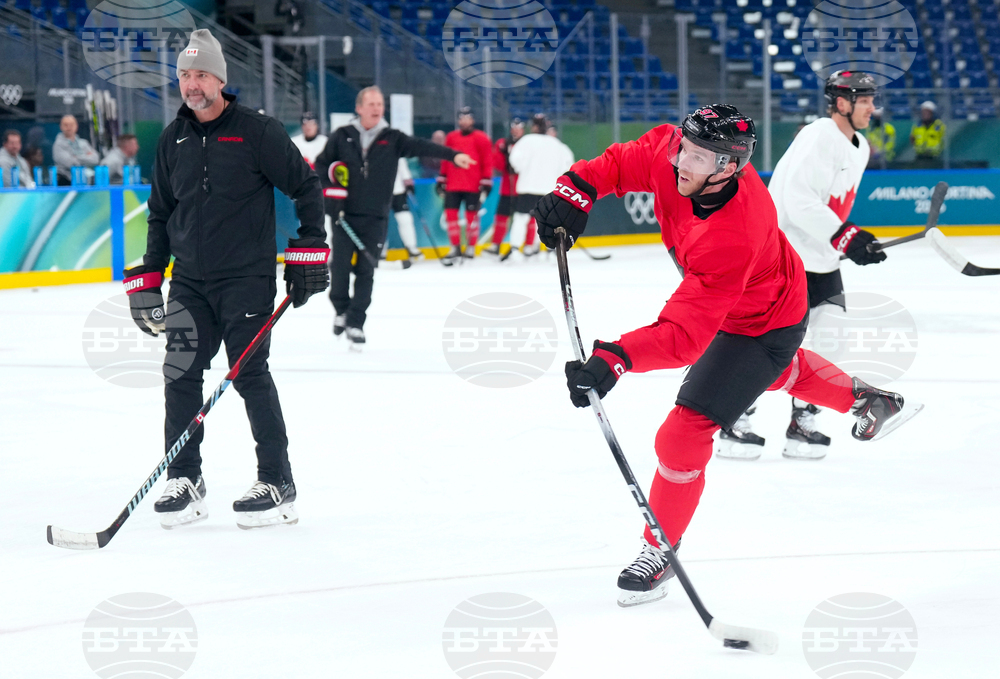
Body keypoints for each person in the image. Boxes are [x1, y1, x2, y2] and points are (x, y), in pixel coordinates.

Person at [531, 104, 918, 607]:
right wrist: (575, 188)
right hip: (748, 303)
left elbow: (684, 335)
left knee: (683, 430)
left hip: (764, 321)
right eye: (684, 149)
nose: (681, 163)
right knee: (770, 375)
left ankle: (660, 549)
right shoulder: (674, 151)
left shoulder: (735, 231)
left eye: (698, 157)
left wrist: (617, 357)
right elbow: (621, 164)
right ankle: (865, 397)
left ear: (729, 168)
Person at [121, 29, 330, 530]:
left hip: (245, 280)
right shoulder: (172, 138)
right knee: (180, 375)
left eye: (200, 75)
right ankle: (185, 478)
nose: (191, 85)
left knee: (249, 374)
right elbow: (159, 213)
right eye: (184, 75)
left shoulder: (257, 131)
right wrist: (150, 275)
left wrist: (307, 249)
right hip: (189, 281)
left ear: (220, 78)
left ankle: (277, 481)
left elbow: (306, 188)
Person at [720, 70, 885, 462]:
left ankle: (802, 423)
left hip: (822, 261)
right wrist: (844, 234)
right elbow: (795, 197)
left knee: (830, 343)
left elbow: (829, 205)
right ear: (842, 103)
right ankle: (734, 419)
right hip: (783, 257)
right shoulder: (819, 134)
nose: (871, 108)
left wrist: (849, 240)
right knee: (765, 346)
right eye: (864, 101)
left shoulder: (859, 147)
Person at [314, 86, 473, 346]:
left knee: (366, 271)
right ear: (359, 108)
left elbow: (422, 146)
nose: (377, 108)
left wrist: (453, 156)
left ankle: (356, 322)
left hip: (376, 215)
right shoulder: (342, 136)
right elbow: (322, 165)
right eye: (372, 104)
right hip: (342, 214)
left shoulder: (392, 137)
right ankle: (341, 310)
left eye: (380, 104)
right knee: (340, 268)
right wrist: (332, 190)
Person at [507, 113, 574, 258]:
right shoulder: (558, 145)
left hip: (528, 186)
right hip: (548, 189)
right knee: (548, 220)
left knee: (521, 218)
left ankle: (515, 249)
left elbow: (515, 161)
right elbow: (567, 167)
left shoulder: (526, 141)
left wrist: (524, 169)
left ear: (534, 126)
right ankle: (550, 249)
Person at [438, 107, 493, 261]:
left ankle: (470, 247)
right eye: (462, 118)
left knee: (472, 217)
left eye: (468, 117)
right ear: (458, 120)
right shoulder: (451, 137)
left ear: (473, 120)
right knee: (451, 216)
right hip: (453, 184)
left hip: (473, 185)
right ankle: (455, 247)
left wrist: (486, 180)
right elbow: (446, 158)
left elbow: (487, 161)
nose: (465, 121)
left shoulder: (482, 138)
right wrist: (442, 178)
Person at [482, 117, 525, 257]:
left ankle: (529, 247)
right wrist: (503, 154)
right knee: (501, 217)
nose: (516, 131)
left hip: (524, 187)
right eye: (514, 127)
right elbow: (498, 166)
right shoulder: (503, 143)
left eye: (519, 128)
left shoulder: (528, 144)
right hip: (507, 187)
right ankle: (496, 245)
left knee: (526, 218)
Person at [52, 114, 100, 185]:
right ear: (61, 127)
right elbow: (71, 163)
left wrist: (76, 156)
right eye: (66, 125)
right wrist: (86, 156)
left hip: (85, 181)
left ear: (76, 126)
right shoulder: (58, 145)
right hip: (65, 181)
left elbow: (95, 159)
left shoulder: (84, 143)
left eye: (71, 125)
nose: (69, 128)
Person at [390, 157, 422, 260]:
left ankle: (411, 247)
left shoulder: (394, 144)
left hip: (398, 190)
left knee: (405, 219)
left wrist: (408, 182)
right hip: (378, 192)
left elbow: (402, 164)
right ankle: (379, 250)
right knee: (379, 222)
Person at [910, 100, 945, 166]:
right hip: (919, 157)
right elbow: (912, 138)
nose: (925, 114)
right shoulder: (917, 126)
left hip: (935, 157)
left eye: (927, 112)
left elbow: (944, 139)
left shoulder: (939, 125)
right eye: (923, 112)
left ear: (932, 113)